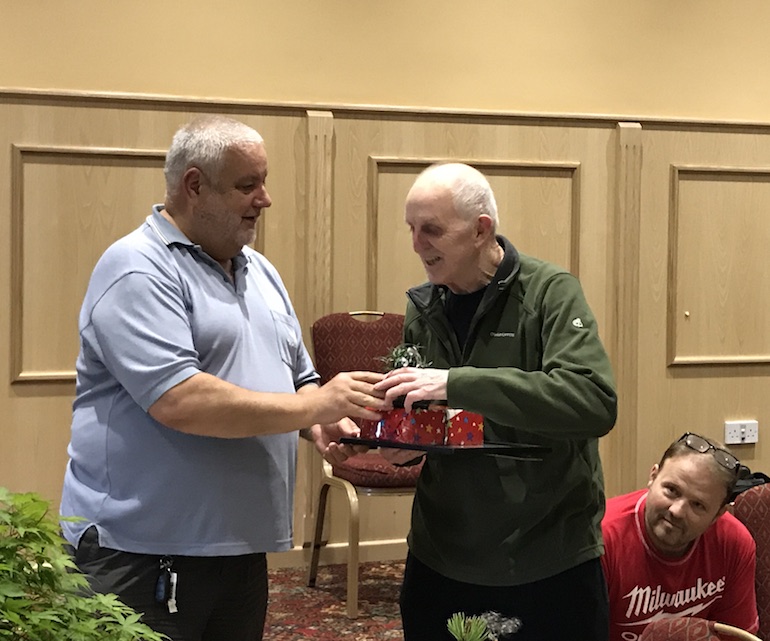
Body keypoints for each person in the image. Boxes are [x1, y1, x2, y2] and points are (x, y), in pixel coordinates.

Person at [59, 115, 385, 641]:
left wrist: (318, 425)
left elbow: (299, 378)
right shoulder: (137, 269)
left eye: (264, 181)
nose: (265, 199)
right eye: (247, 184)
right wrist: (314, 407)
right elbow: (180, 400)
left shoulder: (261, 271)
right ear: (194, 185)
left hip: (238, 547)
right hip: (141, 554)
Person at [375, 162, 618, 640]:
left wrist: (458, 383)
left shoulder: (551, 292)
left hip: (547, 558)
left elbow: (592, 400)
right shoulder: (424, 305)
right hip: (441, 555)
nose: (417, 244)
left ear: (481, 230)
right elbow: (432, 419)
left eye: (431, 230)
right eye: (411, 229)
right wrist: (396, 443)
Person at [601, 432, 759, 641]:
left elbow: (736, 636)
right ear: (653, 477)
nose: (677, 511)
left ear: (717, 515)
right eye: (671, 490)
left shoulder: (734, 543)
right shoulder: (601, 539)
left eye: (697, 505)